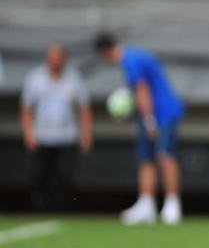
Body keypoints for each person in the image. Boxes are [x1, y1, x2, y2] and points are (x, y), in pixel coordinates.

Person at [94, 33, 185, 225]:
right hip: (150, 114)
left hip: (162, 113)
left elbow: (142, 90)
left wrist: (150, 120)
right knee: (146, 159)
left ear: (104, 52)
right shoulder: (135, 56)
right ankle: (146, 204)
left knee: (164, 156)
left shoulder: (131, 60)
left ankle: (172, 204)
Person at [20, 44, 92, 213]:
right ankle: (39, 207)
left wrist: (86, 133)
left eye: (59, 58)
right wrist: (29, 132)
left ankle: (59, 209)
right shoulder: (35, 78)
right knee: (38, 175)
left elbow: (83, 108)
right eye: (52, 58)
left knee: (64, 176)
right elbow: (27, 109)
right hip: (42, 136)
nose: (55, 62)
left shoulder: (74, 78)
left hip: (67, 137)